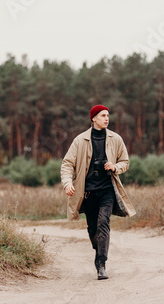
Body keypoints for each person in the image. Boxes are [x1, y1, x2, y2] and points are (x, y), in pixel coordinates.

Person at [60, 105, 136, 280]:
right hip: (87, 193)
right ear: (93, 118)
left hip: (107, 190)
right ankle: (99, 248)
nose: (107, 118)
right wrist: (67, 182)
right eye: (103, 115)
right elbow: (67, 164)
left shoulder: (116, 139)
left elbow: (125, 161)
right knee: (93, 229)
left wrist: (115, 167)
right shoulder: (80, 140)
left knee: (103, 224)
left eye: (108, 115)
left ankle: (101, 264)